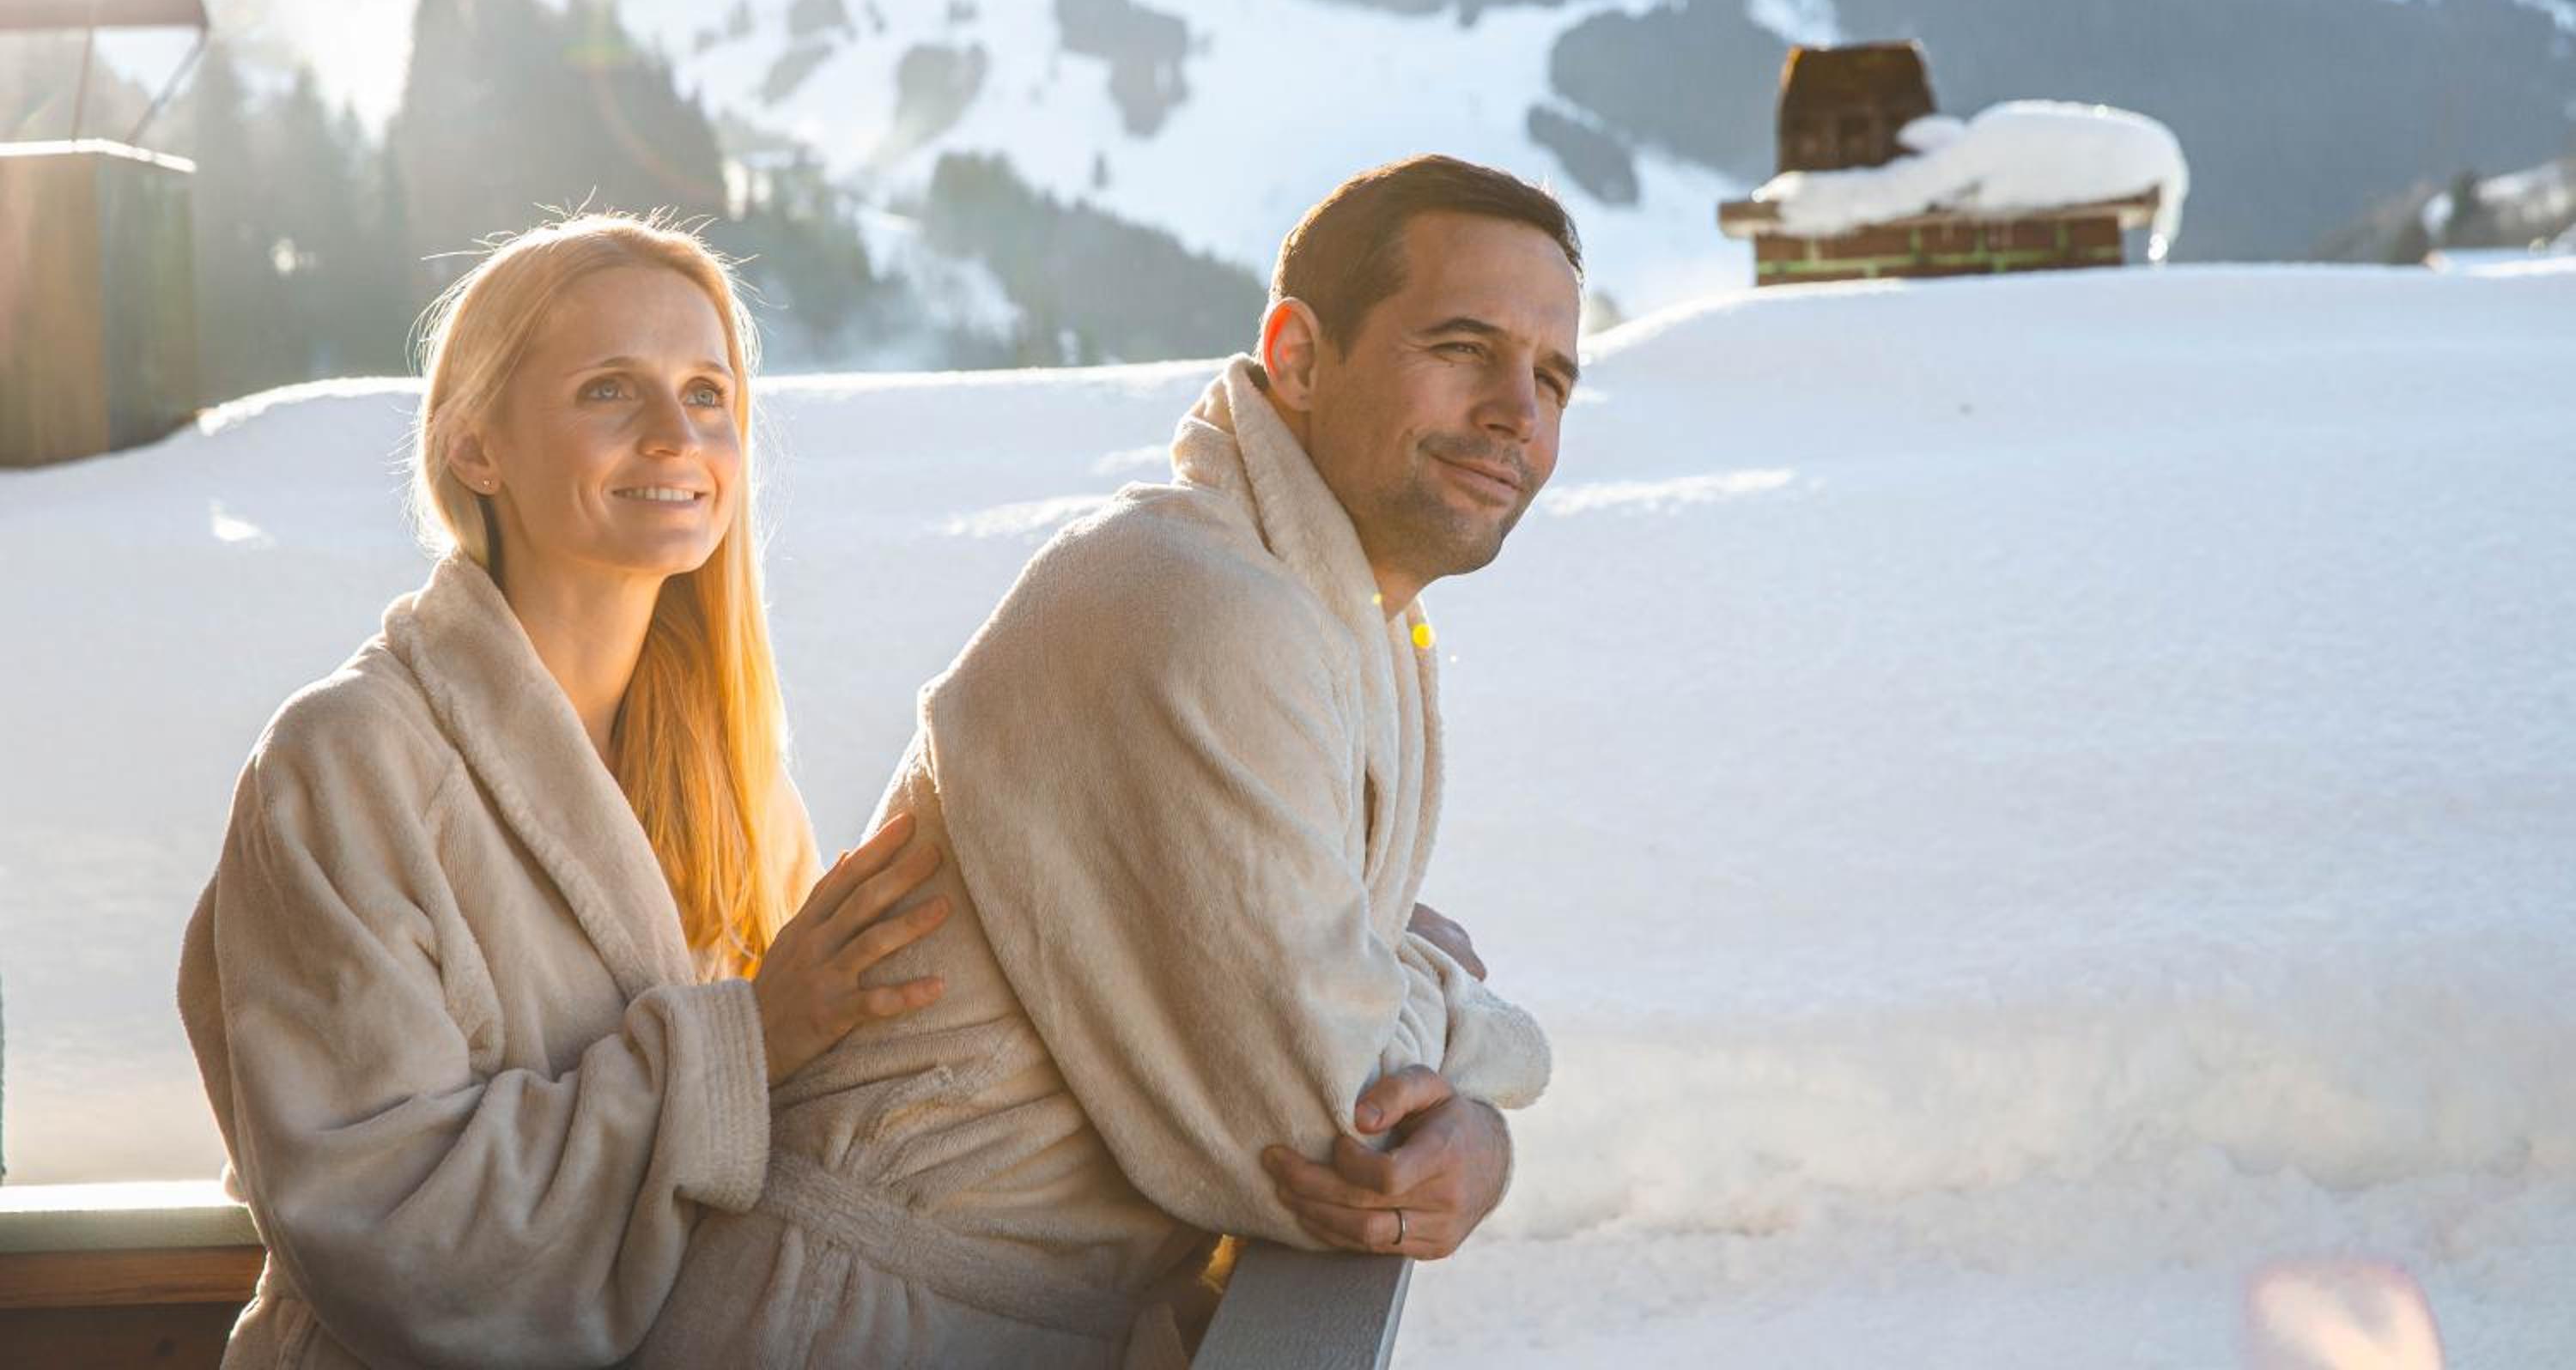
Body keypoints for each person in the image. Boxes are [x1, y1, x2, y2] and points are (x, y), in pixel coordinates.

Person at [641, 155, 1580, 1368]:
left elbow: (1327, 1007)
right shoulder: (1198, 609)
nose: (1517, 412)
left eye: (1552, 377)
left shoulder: (1342, 613)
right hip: (850, 1326)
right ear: (1299, 356)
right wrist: (1491, 1060)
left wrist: (1386, 989)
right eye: (1463, 348)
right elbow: (1325, 1126)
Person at [177, 217, 952, 1367]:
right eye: (609, 390)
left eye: (707, 393)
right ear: (475, 449)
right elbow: (391, 1229)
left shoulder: (731, 779)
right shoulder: (348, 761)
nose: (675, 434)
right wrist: (741, 1047)